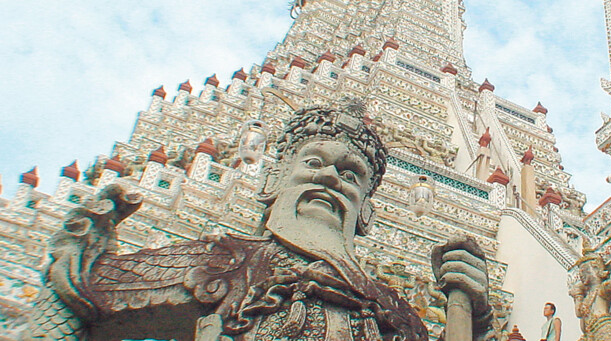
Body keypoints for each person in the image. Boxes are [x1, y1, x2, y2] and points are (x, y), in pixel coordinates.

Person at [30, 101, 494, 340]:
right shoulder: (221, 262)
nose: (332, 177)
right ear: (271, 180)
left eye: (352, 175)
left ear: (366, 213)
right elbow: (83, 299)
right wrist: (80, 256)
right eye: (314, 163)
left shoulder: (392, 313)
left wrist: (470, 317)